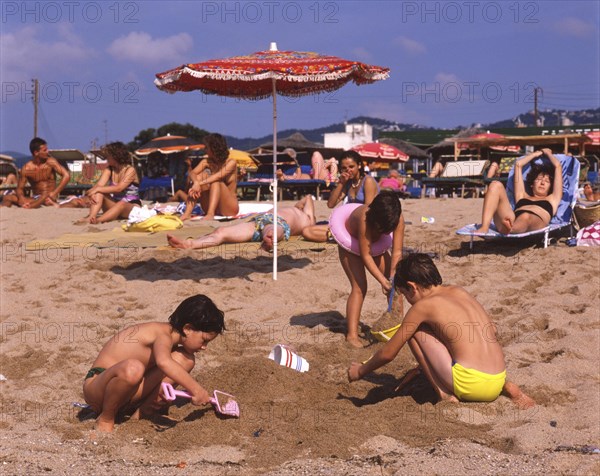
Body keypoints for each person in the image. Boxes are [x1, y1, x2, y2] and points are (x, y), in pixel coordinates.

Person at [348, 253, 535, 409]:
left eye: (405, 295)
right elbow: (492, 329)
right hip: (498, 377)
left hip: (471, 384)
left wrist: (361, 371)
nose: (407, 300)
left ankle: (444, 394)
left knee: (413, 330)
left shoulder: (422, 307)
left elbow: (389, 353)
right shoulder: (458, 291)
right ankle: (506, 388)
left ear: (412, 287)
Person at [83, 294, 225, 433]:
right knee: (134, 368)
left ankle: (144, 412)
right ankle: (106, 418)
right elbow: (163, 362)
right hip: (98, 388)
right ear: (187, 329)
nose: (204, 347)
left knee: (184, 360)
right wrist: (196, 390)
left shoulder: (172, 341)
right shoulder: (162, 334)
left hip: (126, 394)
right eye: (204, 340)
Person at [336, 191, 405, 348]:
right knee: (360, 287)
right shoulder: (365, 218)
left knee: (397, 286)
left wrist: (392, 277)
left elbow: (397, 252)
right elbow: (365, 256)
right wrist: (382, 281)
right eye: (384, 230)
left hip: (375, 245)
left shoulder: (398, 219)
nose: (388, 233)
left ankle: (396, 327)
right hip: (350, 242)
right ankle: (352, 335)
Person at [168, 195, 317, 252]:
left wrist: (299, 206)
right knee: (221, 231)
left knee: (272, 230)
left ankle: (270, 240)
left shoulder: (309, 220)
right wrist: (298, 206)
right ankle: (190, 244)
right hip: (259, 221)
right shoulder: (302, 215)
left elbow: (308, 198)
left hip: (278, 222)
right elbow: (307, 199)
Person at [477, 148, 562, 234]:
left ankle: (510, 229)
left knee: (526, 217)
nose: (542, 182)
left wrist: (548, 153)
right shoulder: (522, 195)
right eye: (539, 179)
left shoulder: (553, 198)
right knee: (495, 184)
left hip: (537, 221)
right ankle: (485, 227)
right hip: (513, 219)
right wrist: (536, 154)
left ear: (551, 186)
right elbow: (518, 165)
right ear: (532, 184)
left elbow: (558, 166)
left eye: (547, 181)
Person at [302, 151, 378, 243]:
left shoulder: (368, 181)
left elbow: (368, 210)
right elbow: (330, 204)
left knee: (314, 231)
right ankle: (341, 238)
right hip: (350, 223)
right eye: (344, 168)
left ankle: (341, 237)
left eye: (351, 167)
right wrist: (341, 183)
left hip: (365, 225)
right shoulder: (349, 183)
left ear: (359, 165)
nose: (348, 170)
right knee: (307, 231)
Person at [76, 142, 141, 224]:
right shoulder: (109, 169)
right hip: (114, 204)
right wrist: (91, 193)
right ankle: (91, 217)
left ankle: (99, 220)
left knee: (120, 203)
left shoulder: (130, 170)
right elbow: (98, 185)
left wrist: (97, 189)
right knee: (99, 192)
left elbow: (119, 188)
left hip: (131, 206)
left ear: (115, 156)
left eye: (108, 156)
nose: (106, 158)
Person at [181, 133, 239, 221]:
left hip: (229, 207)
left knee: (215, 181)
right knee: (199, 176)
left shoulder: (231, 163)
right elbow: (192, 173)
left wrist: (199, 183)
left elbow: (218, 176)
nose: (205, 150)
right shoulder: (206, 161)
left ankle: (210, 214)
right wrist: (196, 182)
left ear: (214, 148)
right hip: (212, 205)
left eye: (207, 147)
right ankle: (187, 213)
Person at [1, 137, 70, 208]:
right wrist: (21, 198)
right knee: (7, 197)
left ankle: (29, 206)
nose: (47, 152)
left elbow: (66, 176)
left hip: (49, 198)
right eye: (45, 150)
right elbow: (19, 188)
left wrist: (54, 193)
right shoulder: (26, 168)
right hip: (35, 198)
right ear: (36, 153)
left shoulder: (51, 162)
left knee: (45, 196)